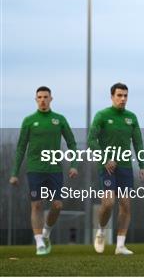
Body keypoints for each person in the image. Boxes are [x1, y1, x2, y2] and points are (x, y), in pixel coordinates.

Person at [9, 86, 78, 255]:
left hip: (55, 169)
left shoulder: (59, 119)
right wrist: (14, 173)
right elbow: (20, 148)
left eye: (45, 97)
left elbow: (72, 143)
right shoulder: (29, 121)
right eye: (39, 97)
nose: (42, 100)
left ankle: (46, 232)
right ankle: (39, 240)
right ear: (35, 99)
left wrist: (74, 164)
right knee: (37, 205)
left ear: (51, 99)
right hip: (35, 169)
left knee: (57, 205)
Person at [88, 82, 144, 255]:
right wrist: (106, 159)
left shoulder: (131, 117)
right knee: (108, 203)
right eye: (119, 95)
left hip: (126, 167)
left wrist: (142, 165)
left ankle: (120, 245)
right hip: (106, 167)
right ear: (112, 96)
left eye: (125, 95)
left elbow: (138, 143)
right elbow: (91, 140)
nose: (123, 99)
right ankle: (100, 231)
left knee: (125, 205)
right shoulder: (102, 115)